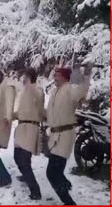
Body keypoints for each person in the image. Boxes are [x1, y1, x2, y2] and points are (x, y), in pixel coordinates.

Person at [46, 62, 91, 205]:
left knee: (52, 174)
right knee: (56, 172)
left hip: (64, 136)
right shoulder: (55, 91)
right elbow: (51, 112)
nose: (55, 78)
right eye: (55, 75)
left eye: (58, 75)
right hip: (55, 136)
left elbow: (82, 90)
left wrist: (86, 75)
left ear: (65, 77)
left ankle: (69, 203)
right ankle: (66, 186)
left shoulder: (70, 89)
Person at [13, 68, 45, 200]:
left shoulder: (38, 90)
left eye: (25, 77)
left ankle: (35, 191)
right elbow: (22, 110)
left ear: (31, 77)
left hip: (31, 127)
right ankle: (26, 176)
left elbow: (38, 99)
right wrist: (10, 116)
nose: (23, 79)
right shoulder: (24, 92)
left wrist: (30, 84)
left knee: (24, 160)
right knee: (17, 156)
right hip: (21, 127)